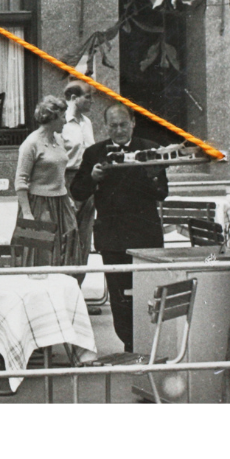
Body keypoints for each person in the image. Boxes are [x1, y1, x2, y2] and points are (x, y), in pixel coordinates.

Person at [71, 104, 169, 353]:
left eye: (123, 124)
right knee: (119, 296)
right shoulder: (94, 153)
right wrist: (92, 178)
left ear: (133, 123)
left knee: (149, 293)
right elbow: (77, 191)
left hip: (145, 234)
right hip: (112, 237)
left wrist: (152, 175)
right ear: (105, 126)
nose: (119, 130)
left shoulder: (150, 149)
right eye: (113, 125)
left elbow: (162, 193)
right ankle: (129, 345)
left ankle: (150, 345)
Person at [13, 96, 80, 269]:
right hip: (39, 204)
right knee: (41, 252)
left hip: (61, 202)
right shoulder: (31, 143)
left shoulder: (58, 139)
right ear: (52, 118)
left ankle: (65, 282)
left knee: (68, 245)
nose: (65, 121)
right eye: (62, 117)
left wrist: (66, 196)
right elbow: (20, 180)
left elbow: (59, 171)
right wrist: (27, 213)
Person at [61, 79, 97, 281]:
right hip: (67, 179)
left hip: (87, 178)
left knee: (85, 234)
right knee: (69, 235)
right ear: (74, 98)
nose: (92, 101)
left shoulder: (87, 123)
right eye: (88, 97)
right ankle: (66, 283)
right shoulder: (61, 123)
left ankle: (79, 285)